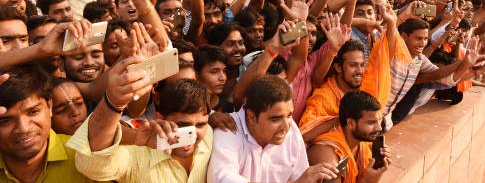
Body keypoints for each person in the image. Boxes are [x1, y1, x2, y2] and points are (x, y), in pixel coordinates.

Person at [69, 74, 214, 182]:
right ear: (159, 118)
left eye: (201, 124)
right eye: (183, 125)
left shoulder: (210, 137)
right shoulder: (136, 154)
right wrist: (113, 102)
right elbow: (91, 165)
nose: (193, 134)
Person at [208, 76, 338, 183]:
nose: (286, 126)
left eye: (289, 115)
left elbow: (299, 178)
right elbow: (224, 179)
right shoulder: (228, 129)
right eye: (275, 119)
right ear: (251, 116)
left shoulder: (291, 129)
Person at [0, 65, 93, 182]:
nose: (23, 128)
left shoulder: (87, 155)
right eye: (6, 121)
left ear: (49, 106)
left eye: (33, 112)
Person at [307, 90, 392, 182]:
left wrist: (376, 171)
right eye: (371, 122)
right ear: (351, 123)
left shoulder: (364, 144)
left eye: (379, 120)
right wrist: (368, 180)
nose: (379, 128)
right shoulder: (328, 156)